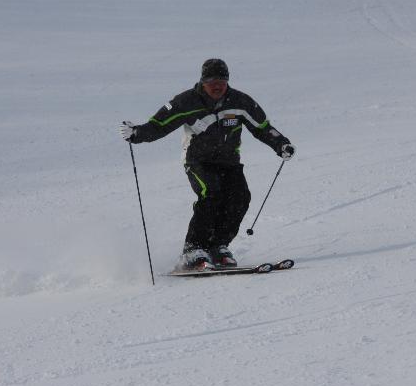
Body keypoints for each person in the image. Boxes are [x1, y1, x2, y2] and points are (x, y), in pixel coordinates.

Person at [119, 59, 295, 270]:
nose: (217, 86)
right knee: (211, 194)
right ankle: (192, 250)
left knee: (240, 198)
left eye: (222, 81)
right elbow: (159, 125)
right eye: (212, 82)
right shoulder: (187, 102)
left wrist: (281, 144)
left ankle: (218, 246)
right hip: (197, 161)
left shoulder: (240, 102)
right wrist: (137, 133)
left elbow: (262, 127)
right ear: (203, 82)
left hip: (229, 161)